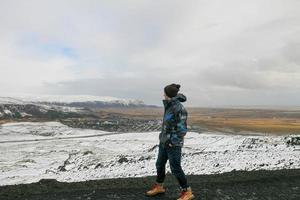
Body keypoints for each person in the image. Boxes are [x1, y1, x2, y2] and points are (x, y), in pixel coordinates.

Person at [145, 83, 195, 200]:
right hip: (164, 142)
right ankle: (159, 186)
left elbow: (182, 129)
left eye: (164, 93)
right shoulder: (169, 105)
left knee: (175, 168)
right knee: (159, 164)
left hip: (173, 144)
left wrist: (172, 141)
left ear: (168, 95)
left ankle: (187, 191)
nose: (163, 94)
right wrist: (164, 139)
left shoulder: (179, 109)